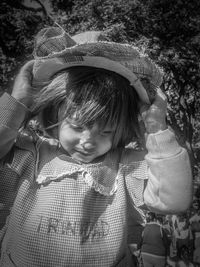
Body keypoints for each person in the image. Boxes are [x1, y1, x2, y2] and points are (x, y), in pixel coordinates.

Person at [0, 26, 192, 266]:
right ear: (53, 113)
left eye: (107, 131)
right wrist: (16, 103)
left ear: (121, 129)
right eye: (77, 126)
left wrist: (156, 129)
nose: (89, 141)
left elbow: (175, 200)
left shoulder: (125, 167)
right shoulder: (32, 153)